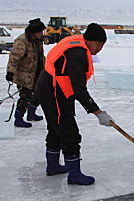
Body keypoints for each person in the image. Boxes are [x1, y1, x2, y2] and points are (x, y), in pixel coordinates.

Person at [35, 23, 114, 186]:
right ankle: (74, 174)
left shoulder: (78, 45)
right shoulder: (78, 54)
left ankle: (53, 166)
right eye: (98, 44)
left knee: (56, 129)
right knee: (69, 132)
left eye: (102, 45)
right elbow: (79, 90)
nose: (100, 49)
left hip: (55, 89)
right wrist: (98, 112)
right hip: (53, 92)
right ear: (89, 40)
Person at [6, 18, 46, 128]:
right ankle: (18, 118)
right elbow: (14, 58)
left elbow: (40, 57)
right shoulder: (22, 41)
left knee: (38, 94)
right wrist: (10, 72)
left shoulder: (38, 40)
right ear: (34, 32)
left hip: (37, 73)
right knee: (25, 97)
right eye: (40, 32)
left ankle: (31, 114)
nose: (42, 34)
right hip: (25, 75)